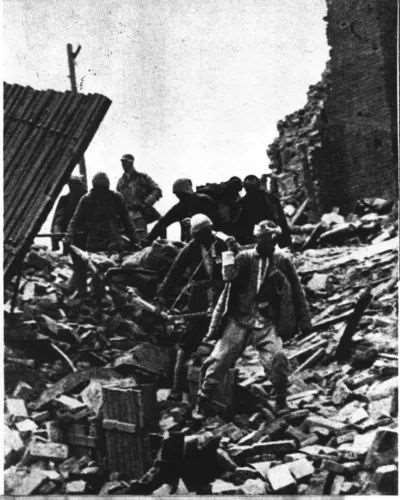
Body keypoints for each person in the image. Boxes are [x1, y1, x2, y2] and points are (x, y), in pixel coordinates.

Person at [196, 220, 311, 416]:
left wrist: (304, 320)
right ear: (257, 239)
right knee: (218, 361)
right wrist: (230, 254)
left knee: (278, 358)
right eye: (264, 239)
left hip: (266, 321)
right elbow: (228, 277)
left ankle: (281, 401)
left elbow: (297, 290)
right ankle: (203, 400)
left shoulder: (282, 261)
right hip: (239, 319)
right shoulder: (244, 258)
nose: (269, 244)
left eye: (272, 240)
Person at [157, 214, 235, 401]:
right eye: (200, 235)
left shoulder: (222, 244)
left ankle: (222, 390)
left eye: (207, 233)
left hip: (221, 298)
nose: (204, 237)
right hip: (199, 299)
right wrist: (162, 296)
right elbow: (174, 273)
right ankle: (177, 388)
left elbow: (234, 271)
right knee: (188, 342)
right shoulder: (191, 249)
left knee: (225, 341)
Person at [66, 172, 138, 294]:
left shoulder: (115, 198)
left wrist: (135, 239)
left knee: (113, 269)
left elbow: (127, 220)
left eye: (103, 189)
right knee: (96, 270)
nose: (101, 193)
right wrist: (69, 236)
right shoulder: (87, 199)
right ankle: (97, 295)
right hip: (95, 241)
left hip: (113, 241)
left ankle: (113, 295)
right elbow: (75, 220)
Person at [145, 178, 219, 243]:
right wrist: (148, 240)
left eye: (180, 194)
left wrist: (148, 240)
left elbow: (216, 220)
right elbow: (162, 223)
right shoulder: (180, 207)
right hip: (192, 242)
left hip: (208, 239)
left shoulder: (203, 201)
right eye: (177, 195)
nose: (179, 197)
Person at [234, 175, 292, 248]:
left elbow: (239, 226)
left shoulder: (241, 204)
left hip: (256, 239)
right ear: (259, 185)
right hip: (273, 234)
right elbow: (281, 220)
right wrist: (286, 241)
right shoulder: (270, 197)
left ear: (245, 188)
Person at [117, 153, 162, 241]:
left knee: (160, 225)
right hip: (126, 214)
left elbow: (157, 190)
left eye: (125, 162)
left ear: (131, 163)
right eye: (122, 162)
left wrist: (146, 203)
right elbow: (118, 198)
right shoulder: (121, 182)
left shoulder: (142, 177)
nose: (123, 165)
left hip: (141, 211)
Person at [51, 175, 87, 251]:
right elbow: (58, 219)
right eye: (71, 185)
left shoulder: (88, 199)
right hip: (69, 237)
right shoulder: (64, 200)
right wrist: (56, 237)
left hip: (85, 238)